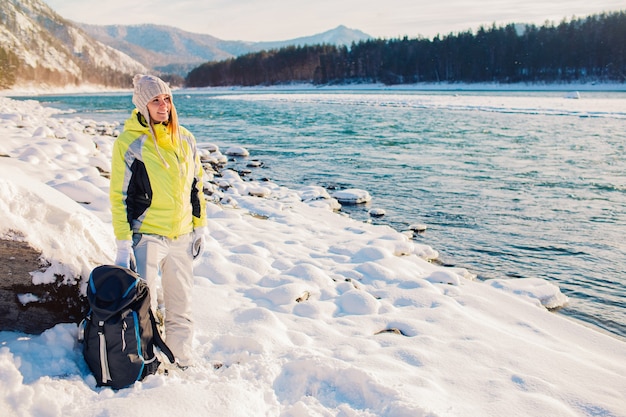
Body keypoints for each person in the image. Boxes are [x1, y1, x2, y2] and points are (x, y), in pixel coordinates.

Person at [110, 74, 207, 368]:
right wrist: (123, 243)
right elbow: (119, 196)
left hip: (181, 235)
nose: (163, 106)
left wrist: (199, 226)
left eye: (167, 99)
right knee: (141, 306)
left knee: (181, 304)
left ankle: (180, 357)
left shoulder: (186, 138)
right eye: (155, 100)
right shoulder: (130, 143)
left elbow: (196, 185)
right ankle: (142, 361)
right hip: (147, 237)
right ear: (143, 105)